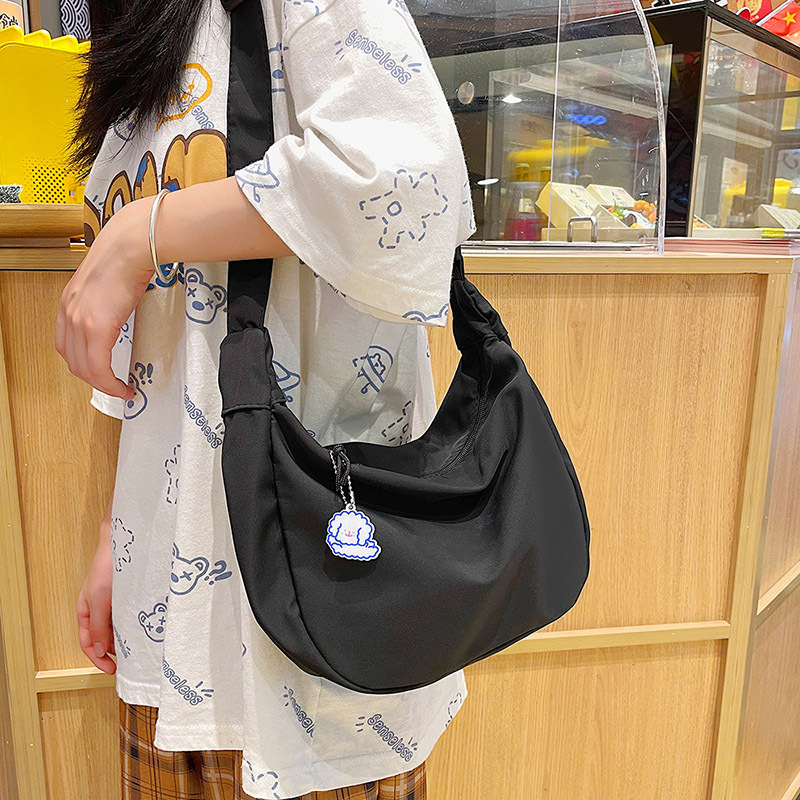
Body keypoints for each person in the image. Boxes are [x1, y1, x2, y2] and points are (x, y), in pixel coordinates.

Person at [57, 0, 476, 797]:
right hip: (170, 608)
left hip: (316, 587)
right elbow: (155, 343)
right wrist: (118, 535)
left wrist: (140, 234)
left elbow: (409, 181)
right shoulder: (145, 27)